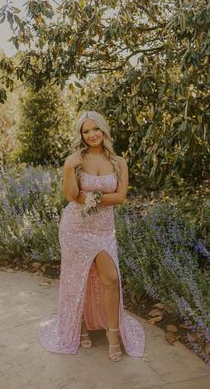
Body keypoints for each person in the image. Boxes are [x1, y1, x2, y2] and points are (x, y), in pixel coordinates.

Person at [38, 111, 145, 361]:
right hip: (75, 227)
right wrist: (67, 168)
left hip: (103, 230)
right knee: (80, 279)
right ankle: (81, 327)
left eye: (95, 129)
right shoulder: (76, 160)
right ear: (81, 134)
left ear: (103, 130)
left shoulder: (119, 162)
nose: (92, 135)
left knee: (110, 276)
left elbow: (120, 197)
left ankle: (113, 333)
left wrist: (90, 197)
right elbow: (70, 196)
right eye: (86, 131)